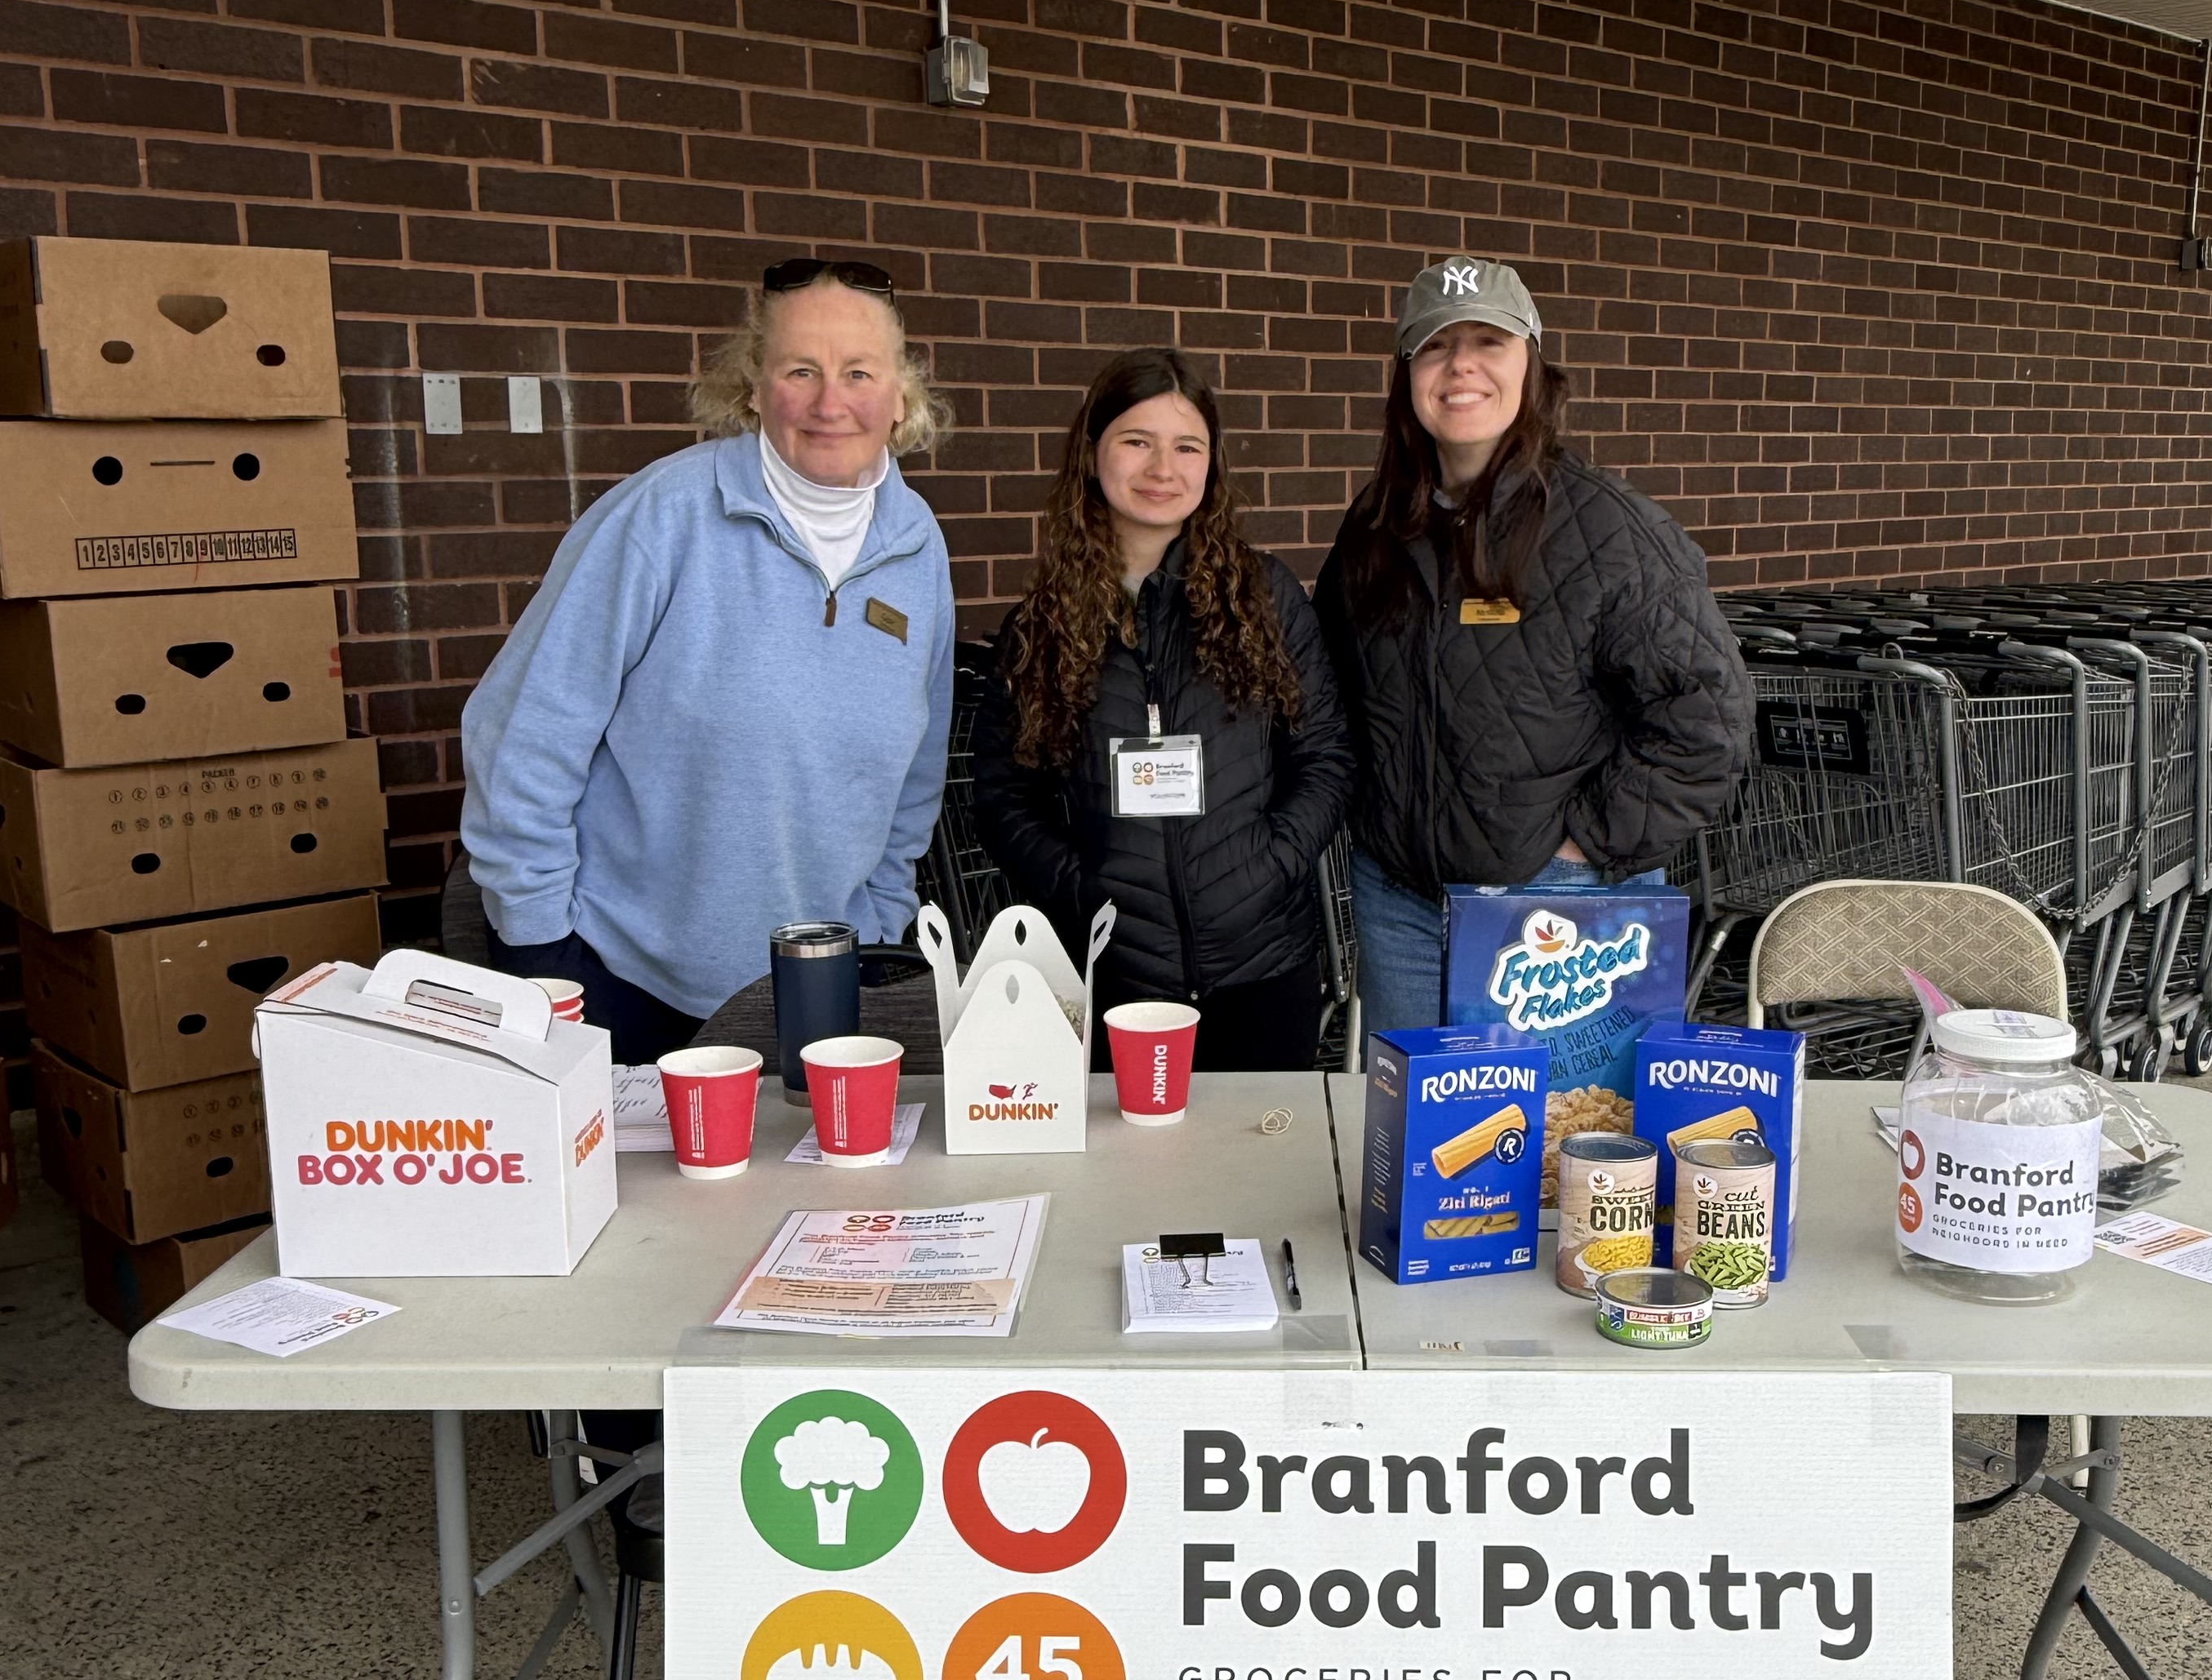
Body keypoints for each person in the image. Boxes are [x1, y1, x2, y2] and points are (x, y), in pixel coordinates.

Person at [460, 259, 955, 1062]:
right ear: (753, 388)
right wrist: (541, 946)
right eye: (802, 370)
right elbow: (522, 731)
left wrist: (880, 918)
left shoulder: (916, 544)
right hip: (622, 981)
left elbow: (916, 771)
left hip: (821, 984)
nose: (832, 403)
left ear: (901, 396)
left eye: (859, 372)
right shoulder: (660, 518)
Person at [1314, 255, 1753, 1040]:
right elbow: (1338, 692)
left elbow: (1709, 716)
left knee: (1559, 1149)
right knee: (1427, 1141)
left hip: (1557, 910)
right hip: (1401, 904)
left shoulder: (1608, 528)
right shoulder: (1374, 528)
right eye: (1436, 345)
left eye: (1490, 341)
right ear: (1407, 372)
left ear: (1531, 363)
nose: (1462, 367)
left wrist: (1586, 845)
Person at [972, 347, 1355, 1069]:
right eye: (1136, 442)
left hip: (1262, 965)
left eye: (1187, 446)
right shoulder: (1043, 624)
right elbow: (1003, 795)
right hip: (1112, 975)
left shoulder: (1265, 599)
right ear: (1092, 455)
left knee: (1258, 1174)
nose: (1162, 469)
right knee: (1129, 1180)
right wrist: (1082, 888)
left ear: (1211, 467)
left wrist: (1271, 864)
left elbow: (1325, 756)